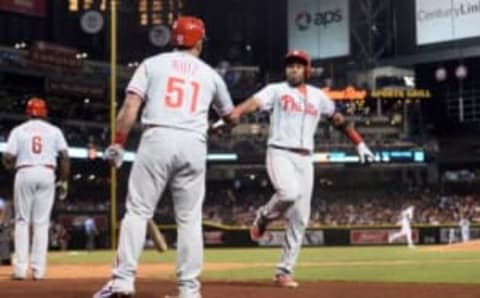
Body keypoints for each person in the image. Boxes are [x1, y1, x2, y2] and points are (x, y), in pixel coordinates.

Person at [93, 16, 236, 298]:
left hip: (157, 137)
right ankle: (189, 290)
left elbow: (130, 106)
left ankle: (123, 281)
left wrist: (118, 144)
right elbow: (230, 117)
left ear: (174, 39)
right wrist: (216, 127)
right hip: (194, 142)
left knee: (137, 211)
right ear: (199, 42)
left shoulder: (152, 64)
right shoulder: (210, 74)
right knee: (190, 220)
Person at [228, 50, 374, 288]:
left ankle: (284, 271)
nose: (293, 69)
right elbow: (255, 103)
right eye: (290, 65)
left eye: (298, 65)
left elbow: (338, 120)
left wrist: (360, 143)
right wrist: (237, 111)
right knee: (288, 193)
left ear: (307, 70)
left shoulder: (319, 96)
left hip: (306, 159)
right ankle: (263, 217)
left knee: (300, 218)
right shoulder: (276, 90)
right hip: (280, 152)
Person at [3, 97, 70, 280]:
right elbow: (64, 157)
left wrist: (12, 167)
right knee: (41, 223)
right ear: (44, 113)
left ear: (28, 112)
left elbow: (8, 158)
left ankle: (19, 270)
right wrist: (63, 181)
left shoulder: (18, 131)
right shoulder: (54, 131)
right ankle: (38, 271)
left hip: (25, 171)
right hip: (47, 173)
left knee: (22, 221)